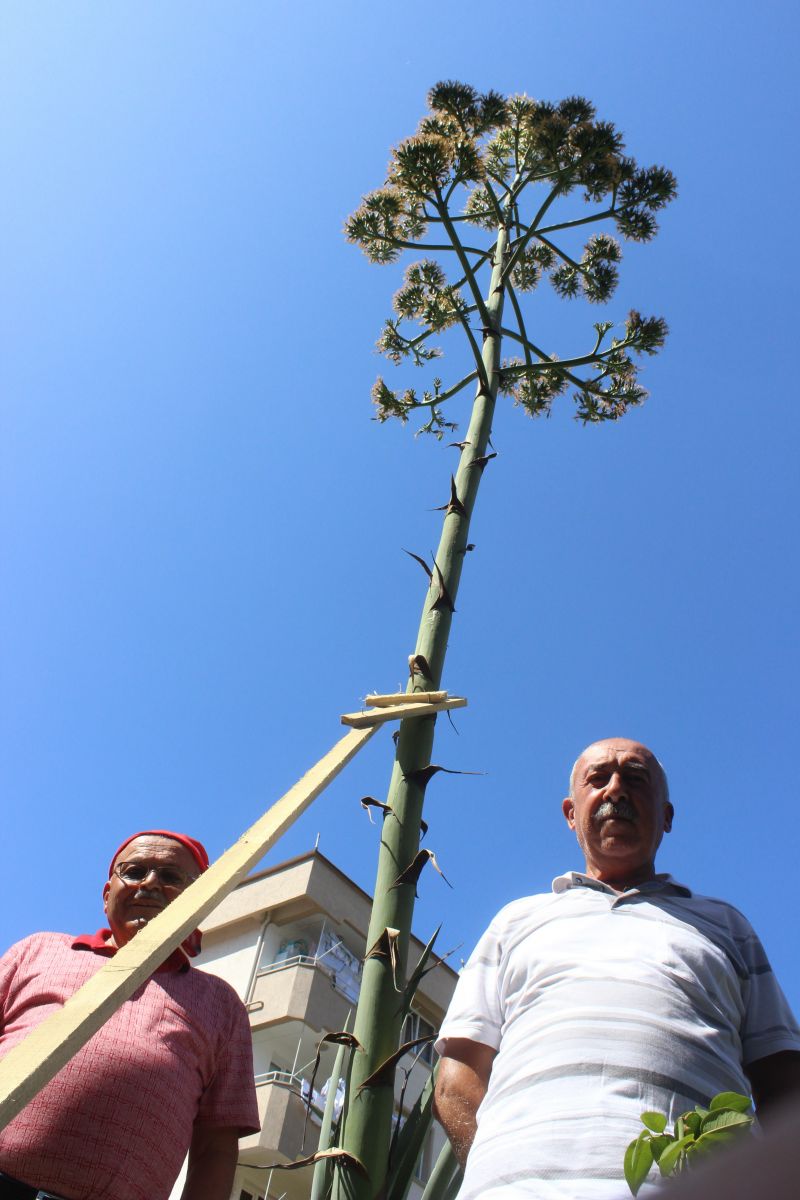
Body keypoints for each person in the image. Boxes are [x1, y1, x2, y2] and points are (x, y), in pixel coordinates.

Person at [434, 738, 800, 1199]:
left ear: (666, 816)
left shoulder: (728, 928)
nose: (616, 790)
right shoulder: (515, 921)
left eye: (636, 778)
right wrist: (499, 1169)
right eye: (599, 778)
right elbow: (456, 1078)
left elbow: (784, 1081)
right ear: (571, 813)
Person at [0, 830, 260, 1200]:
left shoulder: (221, 1006)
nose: (150, 884)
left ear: (201, 902)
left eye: (171, 877)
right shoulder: (37, 951)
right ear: (108, 894)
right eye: (135, 871)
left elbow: (215, 1149)